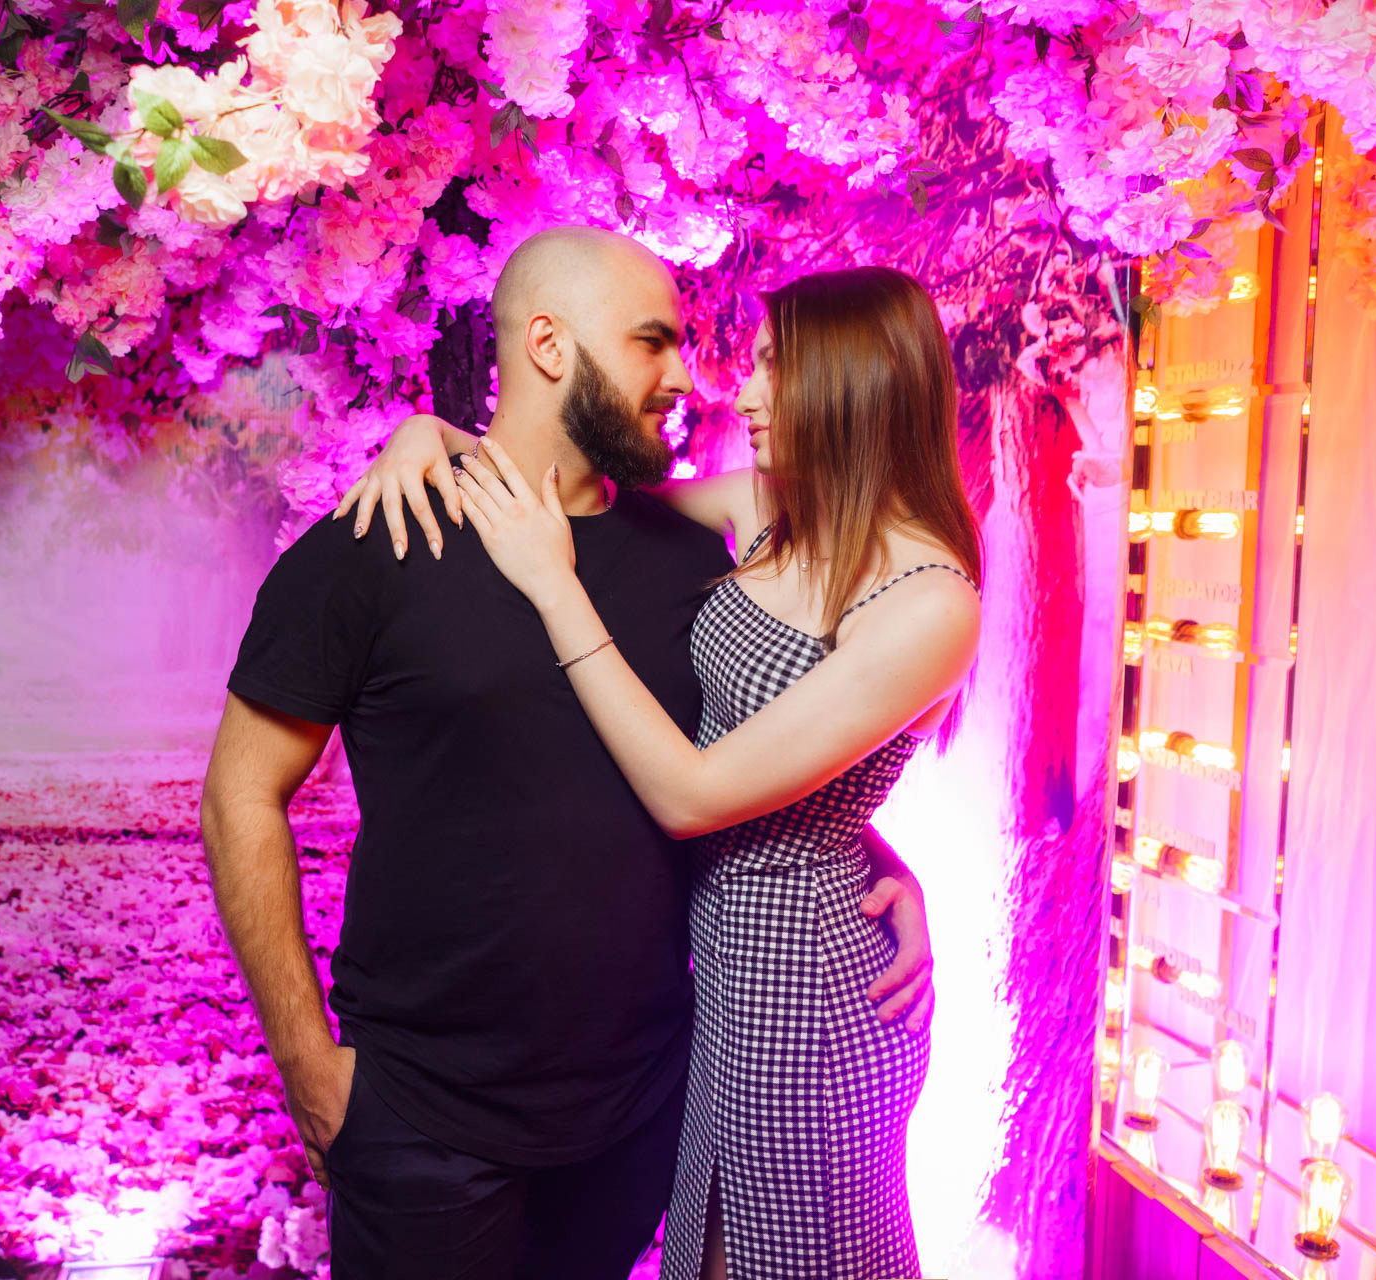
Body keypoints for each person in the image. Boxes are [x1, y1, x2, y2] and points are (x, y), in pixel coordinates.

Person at [198, 227, 935, 1280]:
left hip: (639, 1113)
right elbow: (239, 796)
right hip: (423, 1118)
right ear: (548, 344)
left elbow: (750, 751)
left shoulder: (695, 554)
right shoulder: (376, 544)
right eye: (652, 342)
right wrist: (309, 1067)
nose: (684, 378)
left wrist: (871, 857)